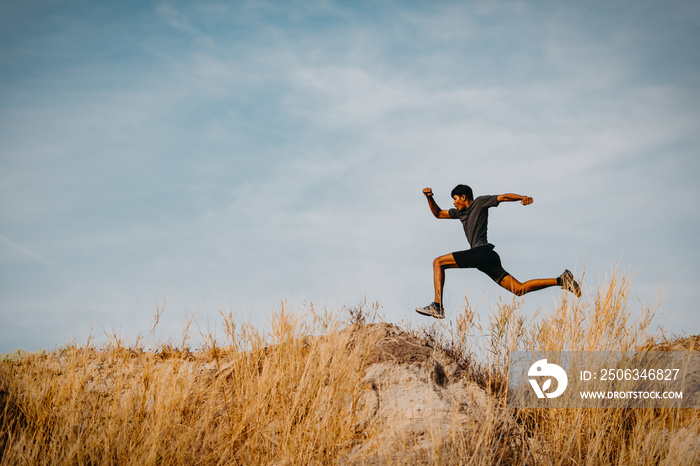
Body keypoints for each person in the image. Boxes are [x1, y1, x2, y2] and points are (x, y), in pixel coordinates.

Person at [416, 184, 581, 319]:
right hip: (487, 258)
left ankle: (437, 306)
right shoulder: (460, 213)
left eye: (455, 199)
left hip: (481, 252)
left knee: (438, 262)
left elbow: (502, 197)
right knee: (519, 289)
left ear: (464, 197)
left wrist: (522, 198)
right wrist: (429, 197)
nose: (453, 203)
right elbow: (438, 214)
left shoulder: (479, 202)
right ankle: (561, 280)